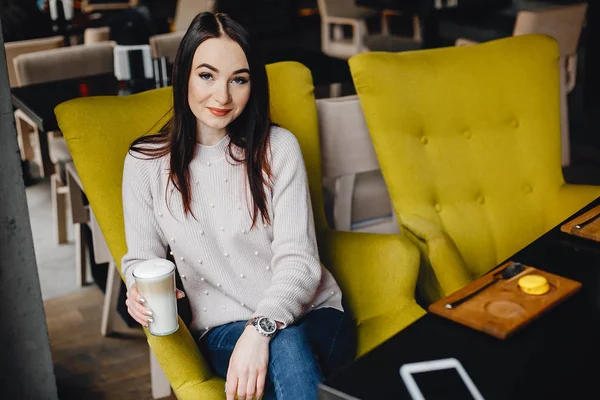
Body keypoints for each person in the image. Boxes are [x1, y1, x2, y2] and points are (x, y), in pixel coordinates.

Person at [121, 12, 356, 400]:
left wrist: (260, 328)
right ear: (183, 76)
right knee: (286, 346)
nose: (222, 96)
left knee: (285, 342)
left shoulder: (278, 149)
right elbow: (141, 261)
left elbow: (300, 261)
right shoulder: (145, 163)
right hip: (222, 330)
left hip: (315, 317)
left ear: (253, 85)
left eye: (239, 80)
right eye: (207, 75)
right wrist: (135, 287)